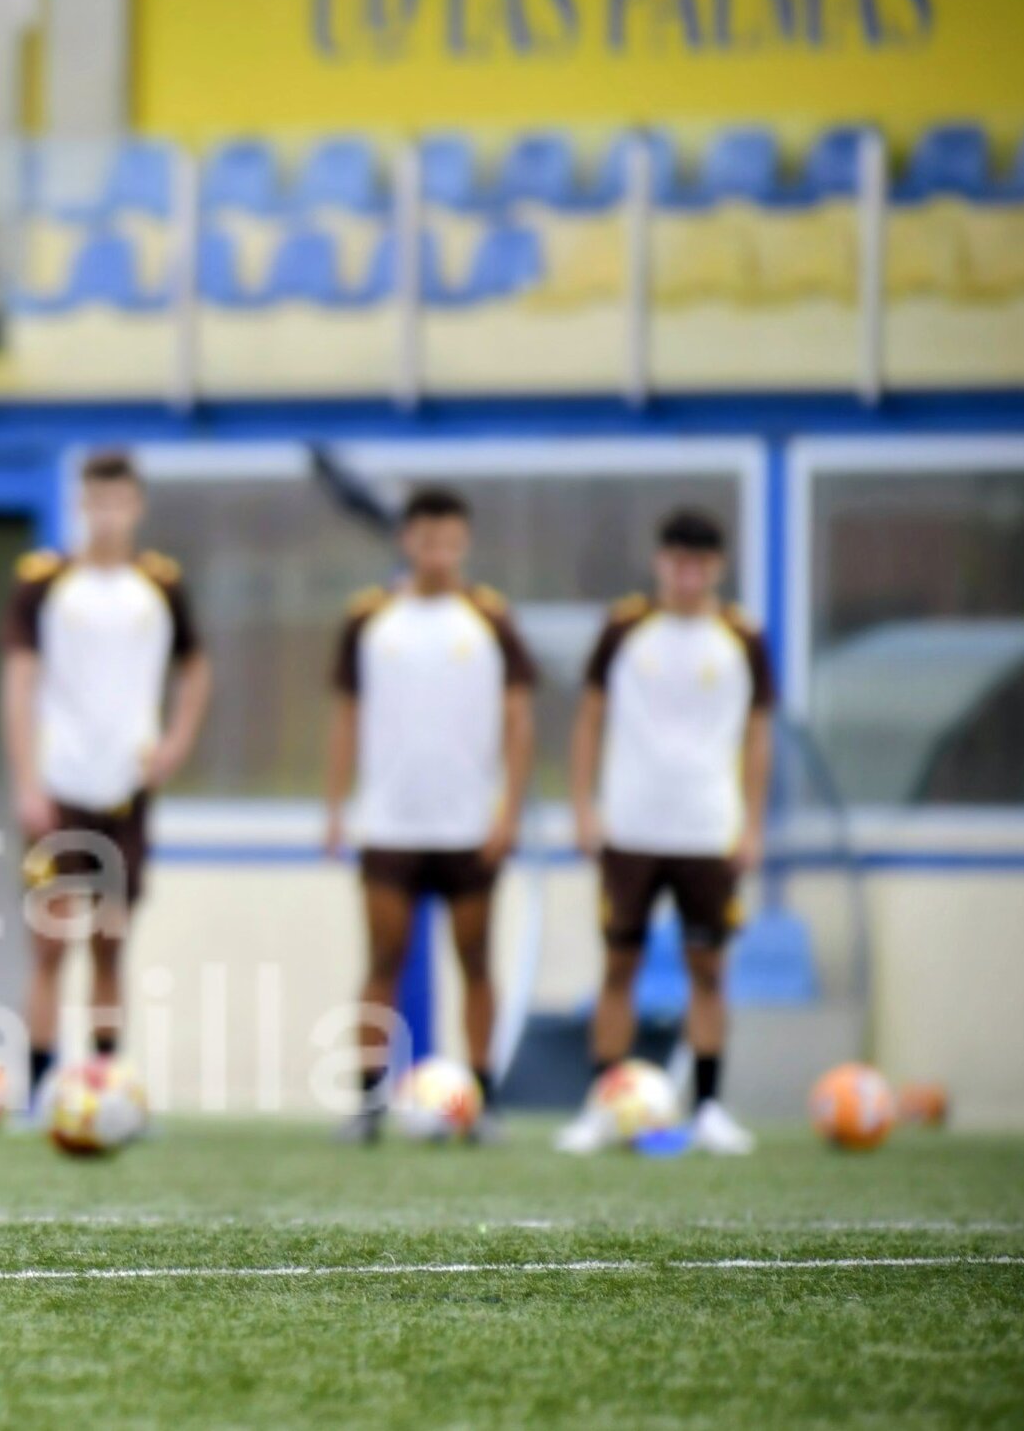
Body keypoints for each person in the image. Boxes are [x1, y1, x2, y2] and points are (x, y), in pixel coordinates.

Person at [0, 452, 213, 1118]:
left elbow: (196, 667)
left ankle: (108, 1087)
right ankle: (38, 1090)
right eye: (97, 501)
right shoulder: (45, 582)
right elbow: (19, 681)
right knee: (50, 942)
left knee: (110, 942)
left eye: (119, 501)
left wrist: (176, 742)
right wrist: (28, 780)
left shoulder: (160, 585)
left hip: (127, 786)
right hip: (62, 782)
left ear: (137, 506)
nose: (108, 514)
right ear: (81, 504)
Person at [323, 487, 536, 1145]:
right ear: (405, 541)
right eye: (425, 539)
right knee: (382, 958)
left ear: (463, 544)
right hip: (390, 821)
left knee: (476, 960)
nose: (437, 552)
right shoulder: (371, 619)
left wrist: (509, 809)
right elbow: (347, 717)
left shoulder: (489, 619)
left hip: (468, 823)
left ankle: (484, 1098)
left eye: (448, 540)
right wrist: (335, 808)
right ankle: (367, 1101)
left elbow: (519, 718)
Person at [557, 509, 773, 1156]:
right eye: (678, 560)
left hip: (708, 830)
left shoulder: (742, 637)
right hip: (630, 827)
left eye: (700, 562)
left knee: (707, 968)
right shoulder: (624, 629)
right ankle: (601, 1106)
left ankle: (708, 1107)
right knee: (618, 965)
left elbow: (759, 734)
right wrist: (583, 807)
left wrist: (752, 824)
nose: (688, 574)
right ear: (660, 562)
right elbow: (589, 718)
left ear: (718, 566)